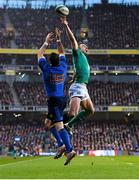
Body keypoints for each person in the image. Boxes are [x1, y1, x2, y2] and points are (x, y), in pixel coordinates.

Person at [37, 28, 76, 165]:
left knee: (59, 126)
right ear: (58, 61)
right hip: (61, 99)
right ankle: (61, 144)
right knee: (48, 123)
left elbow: (39, 54)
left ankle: (69, 149)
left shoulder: (47, 69)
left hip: (53, 101)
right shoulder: (63, 67)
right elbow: (62, 52)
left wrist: (46, 42)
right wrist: (59, 39)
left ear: (49, 62)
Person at [61, 17, 95, 132]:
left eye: (85, 46)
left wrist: (74, 77)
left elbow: (78, 71)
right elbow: (72, 40)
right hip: (78, 87)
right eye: (82, 44)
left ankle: (68, 125)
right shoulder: (77, 53)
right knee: (72, 113)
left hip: (83, 87)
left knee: (90, 110)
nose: (83, 45)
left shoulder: (83, 58)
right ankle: (60, 126)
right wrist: (66, 25)